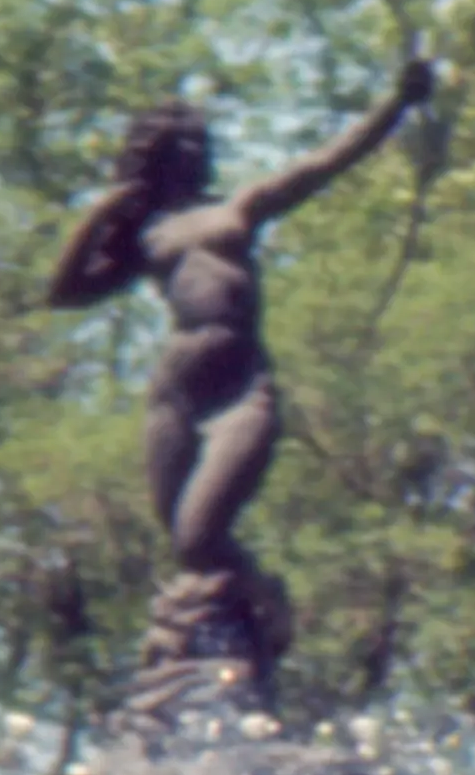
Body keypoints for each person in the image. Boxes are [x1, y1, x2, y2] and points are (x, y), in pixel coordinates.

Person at [44, 46, 438, 605]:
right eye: (181, 145)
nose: (194, 153)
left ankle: (264, 603)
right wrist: (101, 213)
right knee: (183, 548)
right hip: (176, 390)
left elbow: (322, 164)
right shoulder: (145, 234)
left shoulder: (237, 209)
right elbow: (64, 294)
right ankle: (217, 628)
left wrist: (395, 105)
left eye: (198, 145)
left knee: (199, 536)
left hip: (241, 385)